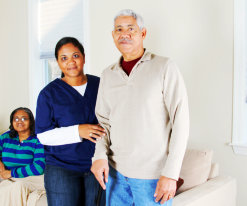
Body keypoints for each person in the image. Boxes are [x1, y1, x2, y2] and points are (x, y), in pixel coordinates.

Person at [91, 9, 190, 206]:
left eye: (131, 29)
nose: (124, 34)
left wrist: (171, 174)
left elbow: (181, 122)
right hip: (115, 177)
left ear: (142, 34)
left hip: (153, 178)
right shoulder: (107, 75)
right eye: (118, 29)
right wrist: (99, 156)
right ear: (113, 36)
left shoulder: (164, 67)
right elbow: (103, 123)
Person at [35, 37, 106, 206]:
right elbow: (43, 136)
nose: (71, 62)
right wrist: (78, 131)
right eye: (64, 58)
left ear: (83, 57)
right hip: (61, 167)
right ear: (58, 62)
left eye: (75, 55)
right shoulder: (48, 94)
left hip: (96, 164)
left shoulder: (100, 85)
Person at [0, 107, 45, 206]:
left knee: (17, 186)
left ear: (31, 122)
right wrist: (1, 167)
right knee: (7, 188)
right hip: (8, 178)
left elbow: (38, 168)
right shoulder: (5, 137)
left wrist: (11, 173)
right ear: (12, 122)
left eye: (24, 118)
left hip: (33, 178)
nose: (19, 121)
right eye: (16, 119)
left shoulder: (38, 140)